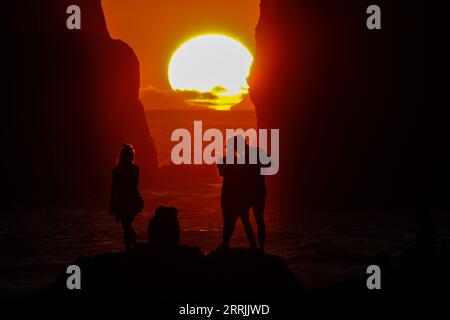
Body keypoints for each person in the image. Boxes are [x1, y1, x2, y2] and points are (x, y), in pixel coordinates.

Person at [217, 136, 257, 249]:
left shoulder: (224, 160)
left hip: (230, 193)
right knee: (244, 220)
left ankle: (225, 244)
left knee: (230, 221)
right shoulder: (241, 161)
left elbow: (222, 173)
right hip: (239, 193)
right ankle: (253, 245)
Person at [109, 144, 144, 251]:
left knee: (126, 225)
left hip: (129, 201)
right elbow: (115, 189)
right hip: (130, 200)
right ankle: (132, 247)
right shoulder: (132, 169)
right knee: (126, 225)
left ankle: (132, 247)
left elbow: (115, 189)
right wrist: (112, 205)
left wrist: (112, 205)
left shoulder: (118, 170)